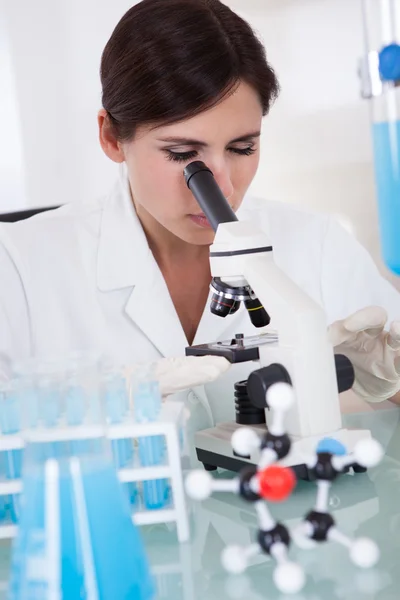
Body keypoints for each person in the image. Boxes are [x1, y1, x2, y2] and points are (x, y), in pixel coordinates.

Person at [0, 0, 399, 435]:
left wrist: (388, 378)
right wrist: (98, 405)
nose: (222, 186)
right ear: (112, 137)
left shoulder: (316, 243)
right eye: (183, 154)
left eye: (243, 148)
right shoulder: (18, 268)